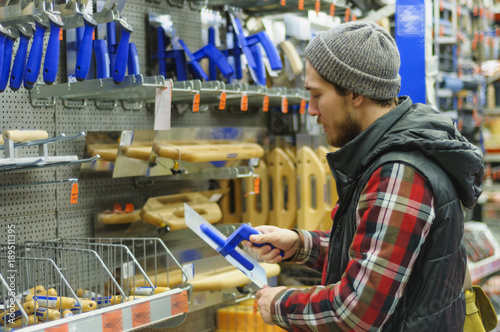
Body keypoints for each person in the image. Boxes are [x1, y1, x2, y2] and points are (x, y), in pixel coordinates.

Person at [244, 21, 484, 331]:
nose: (312, 110)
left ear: (355, 92)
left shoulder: (400, 171)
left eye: (317, 95)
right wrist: (300, 244)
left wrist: (279, 303)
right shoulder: (394, 153)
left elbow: (355, 312)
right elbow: (384, 256)